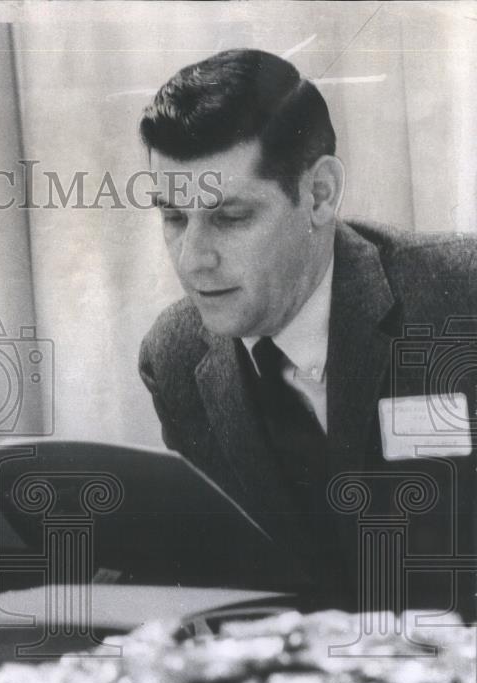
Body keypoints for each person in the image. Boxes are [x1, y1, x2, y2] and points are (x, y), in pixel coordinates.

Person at [137, 49, 476, 615]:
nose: (193, 260)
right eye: (173, 218)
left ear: (320, 194)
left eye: (231, 218)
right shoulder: (174, 356)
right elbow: (226, 587)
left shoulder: (460, 296)